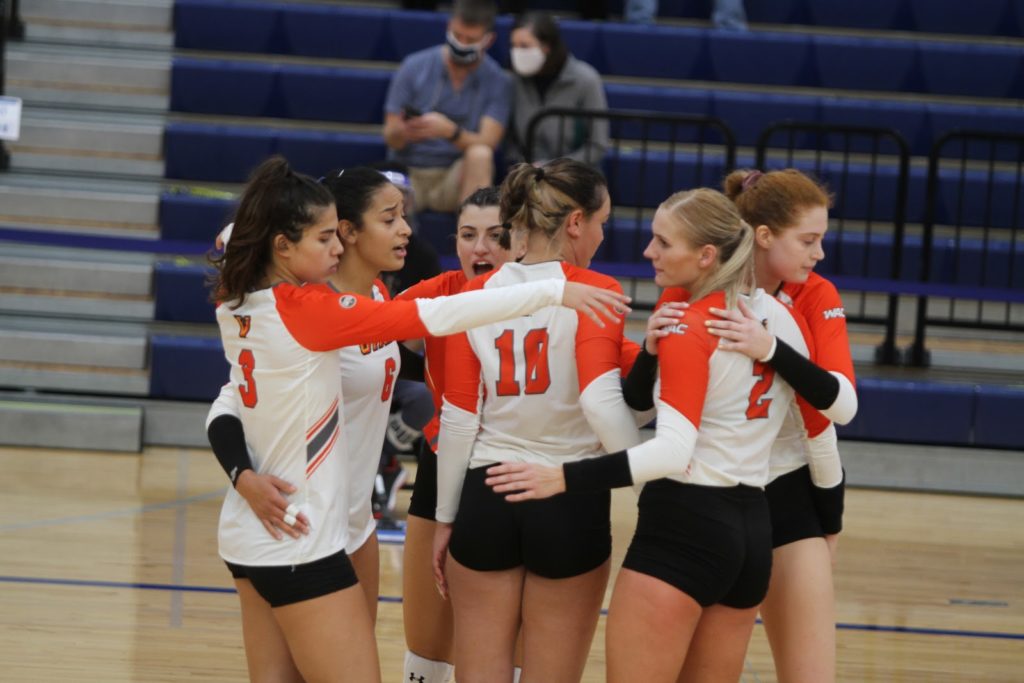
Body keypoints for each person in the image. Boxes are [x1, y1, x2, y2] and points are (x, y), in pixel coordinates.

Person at [204, 156, 630, 682]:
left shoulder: (275, 300)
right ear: (343, 230)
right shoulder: (314, 307)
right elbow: (428, 320)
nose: (405, 228)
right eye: (388, 217)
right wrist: (552, 287)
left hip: (339, 521)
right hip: (303, 525)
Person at [484, 187, 840, 682]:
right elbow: (834, 407)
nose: (649, 251)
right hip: (754, 531)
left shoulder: (691, 327)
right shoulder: (777, 318)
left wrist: (561, 478)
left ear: (706, 255)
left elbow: (673, 450)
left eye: (662, 242)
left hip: (683, 526)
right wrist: (651, 351)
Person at [432, 159, 642, 682]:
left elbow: (459, 419)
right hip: (567, 496)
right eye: (601, 222)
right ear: (575, 223)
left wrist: (445, 518)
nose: (600, 234)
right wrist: (646, 488)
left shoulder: (472, 296)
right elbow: (600, 401)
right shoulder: (595, 288)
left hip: (488, 492)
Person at [703, 168, 857, 683]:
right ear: (764, 236)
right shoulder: (705, 290)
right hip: (716, 488)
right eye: (809, 241)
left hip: (788, 486)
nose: (819, 254)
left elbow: (837, 408)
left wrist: (830, 516)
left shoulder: (815, 294)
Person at [393, 186, 515, 683]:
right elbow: (366, 324)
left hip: (510, 473)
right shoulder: (439, 291)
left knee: (505, 645)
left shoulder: (545, 298)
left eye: (495, 236)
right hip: (443, 460)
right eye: (468, 235)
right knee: (425, 645)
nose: (480, 248)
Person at [383, 0, 511, 213]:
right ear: (448, 26)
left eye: (471, 39)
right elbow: (390, 137)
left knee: (480, 154)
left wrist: (450, 132)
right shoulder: (413, 65)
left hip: (453, 176)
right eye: (457, 35)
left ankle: (474, 233)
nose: (461, 44)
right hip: (409, 173)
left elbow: (488, 141)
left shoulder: (498, 80)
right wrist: (404, 131)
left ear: (489, 40)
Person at [506, 12, 609, 167]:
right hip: (527, 176)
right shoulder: (513, 80)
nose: (517, 53)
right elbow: (508, 140)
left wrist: (552, 168)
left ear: (546, 46)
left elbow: (597, 145)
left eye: (524, 46)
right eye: (514, 46)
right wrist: (522, 166)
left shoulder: (586, 79)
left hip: (576, 177)